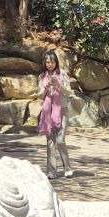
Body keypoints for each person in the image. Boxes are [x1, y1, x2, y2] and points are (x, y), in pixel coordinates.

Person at [36, 50, 73, 179]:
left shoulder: (62, 74)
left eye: (52, 62)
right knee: (50, 142)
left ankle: (67, 167)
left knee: (60, 140)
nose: (50, 64)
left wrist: (59, 85)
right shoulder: (42, 76)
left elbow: (68, 92)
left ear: (56, 62)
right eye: (47, 62)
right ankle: (51, 171)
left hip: (61, 110)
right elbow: (39, 95)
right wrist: (45, 87)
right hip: (48, 112)